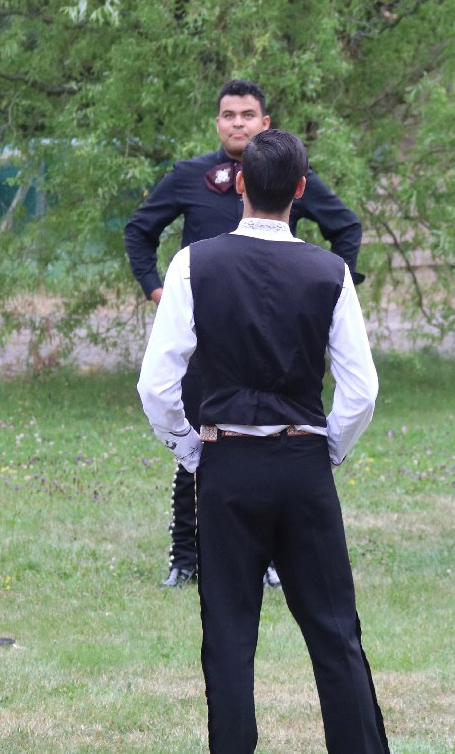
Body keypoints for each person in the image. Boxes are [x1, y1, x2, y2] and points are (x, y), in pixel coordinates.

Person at [137, 128, 389, 754]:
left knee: (228, 635)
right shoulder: (330, 270)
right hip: (302, 462)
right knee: (334, 631)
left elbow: (156, 385)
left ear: (240, 184)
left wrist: (194, 450)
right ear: (301, 191)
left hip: (227, 465)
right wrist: (325, 448)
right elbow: (361, 391)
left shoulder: (194, 263)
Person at [124, 79, 364, 589]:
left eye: (248, 114)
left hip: (278, 328)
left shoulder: (291, 176)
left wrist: (326, 293)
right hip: (207, 335)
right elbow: (139, 230)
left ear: (265, 123)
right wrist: (155, 289)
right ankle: (187, 555)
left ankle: (273, 554)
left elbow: (345, 227)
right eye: (229, 114)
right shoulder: (191, 176)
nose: (238, 122)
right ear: (217, 123)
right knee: (202, 434)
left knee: (278, 427)